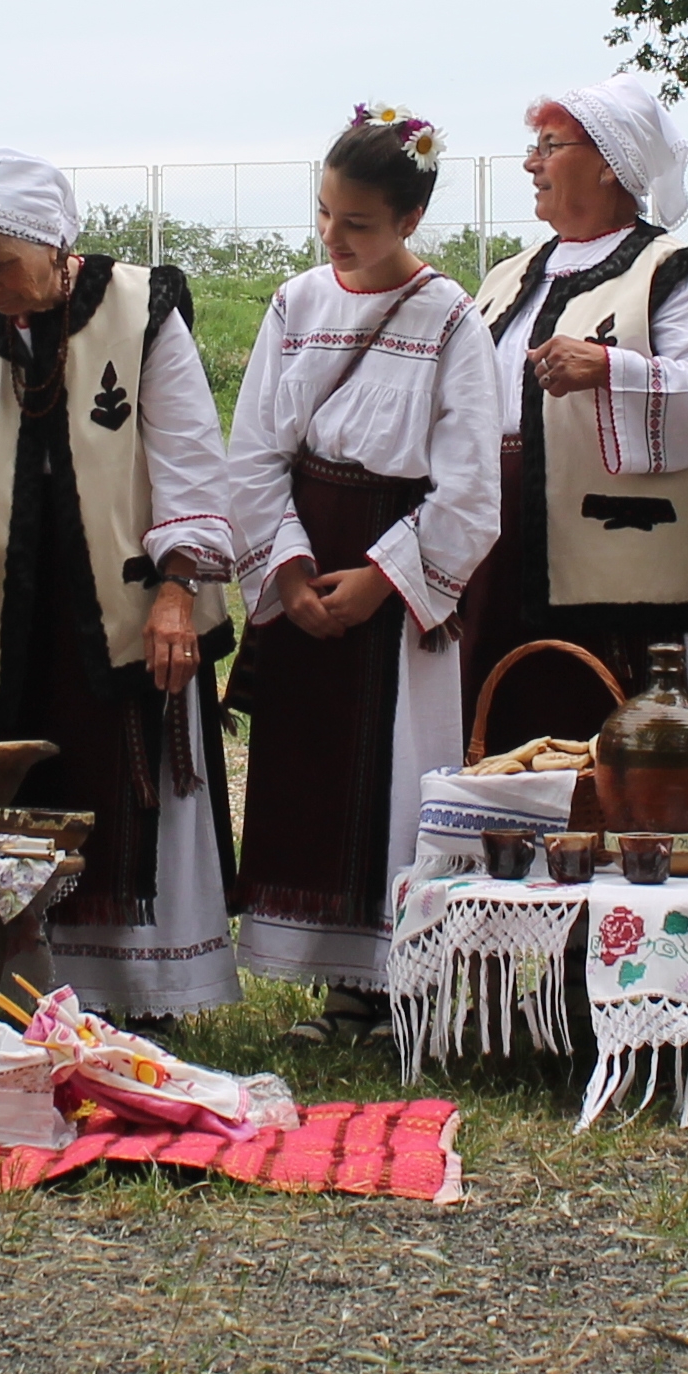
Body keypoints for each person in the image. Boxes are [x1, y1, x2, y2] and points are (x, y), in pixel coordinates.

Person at [0, 149, 241, 1021]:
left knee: (127, 784)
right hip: (21, 618)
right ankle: (28, 984)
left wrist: (178, 587)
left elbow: (187, 460)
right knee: (30, 783)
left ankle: (142, 992)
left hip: (132, 606)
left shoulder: (143, 310)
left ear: (57, 244)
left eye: (2, 266)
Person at [227, 110, 505, 1029]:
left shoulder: (453, 320)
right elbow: (256, 449)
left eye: (360, 223)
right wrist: (294, 573)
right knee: (306, 768)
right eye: (325, 214)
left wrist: (381, 580)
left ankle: (397, 980)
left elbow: (468, 485)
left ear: (410, 220)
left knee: (396, 776)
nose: (334, 238)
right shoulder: (294, 306)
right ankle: (332, 973)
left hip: (394, 576)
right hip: (308, 562)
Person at [462, 82, 688, 747]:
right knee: (503, 734)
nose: (532, 164)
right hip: (502, 559)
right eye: (533, 148)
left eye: (549, 147)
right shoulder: (509, 276)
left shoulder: (673, 275)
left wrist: (611, 370)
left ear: (607, 162)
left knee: (611, 748)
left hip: (616, 580)